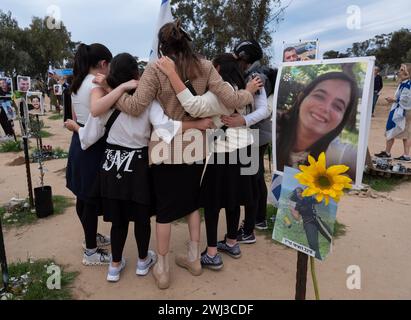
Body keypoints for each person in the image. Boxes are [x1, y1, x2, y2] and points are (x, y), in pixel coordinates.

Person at [91, 20, 261, 289]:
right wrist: (247, 93)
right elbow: (231, 101)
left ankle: (162, 267)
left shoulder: (155, 70)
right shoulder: (205, 66)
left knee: (165, 211)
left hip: (165, 147)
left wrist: (112, 89)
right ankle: (194, 258)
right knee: (193, 203)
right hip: (197, 145)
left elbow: (135, 107)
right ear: (187, 42)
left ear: (161, 46)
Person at [156, 53, 263, 270]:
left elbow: (194, 106)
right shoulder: (245, 89)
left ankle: (212, 253)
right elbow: (263, 109)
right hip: (246, 146)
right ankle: (232, 242)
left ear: (218, 70)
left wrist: (171, 73)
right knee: (236, 198)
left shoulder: (220, 93)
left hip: (224, 150)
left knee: (213, 202)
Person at [65, 43, 113, 266]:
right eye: (110, 64)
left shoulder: (77, 82)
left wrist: (77, 128)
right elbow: (97, 118)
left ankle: (90, 239)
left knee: (82, 197)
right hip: (91, 144)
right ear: (103, 64)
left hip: (79, 143)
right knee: (90, 200)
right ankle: (91, 253)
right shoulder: (95, 86)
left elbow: (77, 115)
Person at [277, 71, 359, 178]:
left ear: (343, 119)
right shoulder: (275, 128)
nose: (325, 108)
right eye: (319, 96)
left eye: (338, 106)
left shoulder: (338, 154)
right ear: (301, 97)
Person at [232, 39, 274, 240]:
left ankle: (249, 228)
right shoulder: (255, 74)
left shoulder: (255, 77)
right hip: (259, 134)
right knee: (256, 178)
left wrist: (243, 120)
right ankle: (259, 219)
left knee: (252, 179)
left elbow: (263, 110)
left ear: (244, 57)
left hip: (256, 135)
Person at [374, 63, 411, 162]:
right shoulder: (403, 83)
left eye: (402, 70)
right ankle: (388, 152)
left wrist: (393, 100)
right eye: (400, 69)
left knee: (406, 133)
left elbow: (406, 100)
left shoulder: (408, 85)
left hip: (404, 112)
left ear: (408, 73)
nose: (399, 72)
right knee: (395, 130)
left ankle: (406, 155)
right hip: (398, 109)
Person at [289, 187, 332, 260]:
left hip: (316, 220)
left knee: (330, 236)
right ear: (296, 195)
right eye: (297, 192)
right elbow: (297, 218)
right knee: (313, 245)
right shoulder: (298, 204)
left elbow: (320, 201)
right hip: (307, 224)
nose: (299, 193)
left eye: (300, 192)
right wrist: (291, 210)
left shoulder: (308, 199)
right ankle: (318, 259)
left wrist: (318, 193)